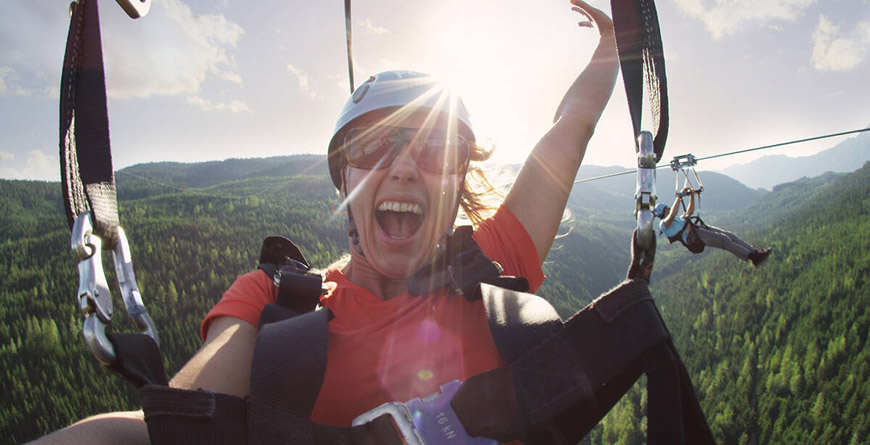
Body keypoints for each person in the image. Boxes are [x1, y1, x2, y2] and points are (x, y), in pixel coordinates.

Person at [32, 1, 618, 442]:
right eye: (374, 146)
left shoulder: (492, 269)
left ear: (457, 181)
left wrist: (616, 44)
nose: (405, 168)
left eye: (434, 149)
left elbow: (569, 131)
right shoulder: (275, 303)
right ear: (345, 182)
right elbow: (174, 427)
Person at [655, 186, 771, 266]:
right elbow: (672, 215)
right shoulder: (664, 225)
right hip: (695, 238)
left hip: (698, 231)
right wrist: (679, 197)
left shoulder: (677, 219)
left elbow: (689, 212)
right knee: (724, 240)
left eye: (668, 209)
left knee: (729, 235)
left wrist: (691, 196)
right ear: (662, 213)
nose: (668, 210)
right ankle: (751, 257)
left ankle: (755, 253)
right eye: (666, 210)